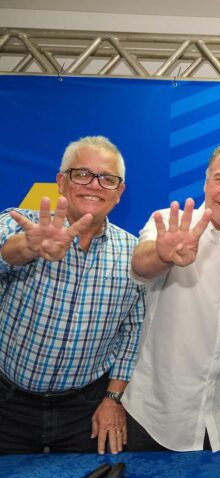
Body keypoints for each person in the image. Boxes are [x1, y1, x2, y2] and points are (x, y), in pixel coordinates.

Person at [0, 136, 145, 455]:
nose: (94, 186)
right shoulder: (20, 225)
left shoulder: (131, 252)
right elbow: (5, 253)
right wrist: (26, 248)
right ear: (61, 182)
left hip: (84, 410)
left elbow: (132, 332)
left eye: (107, 179)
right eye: (82, 174)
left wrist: (112, 398)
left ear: (119, 193)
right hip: (7, 402)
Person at [122, 144, 220, 452]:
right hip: (158, 417)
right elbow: (140, 266)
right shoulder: (170, 226)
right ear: (205, 181)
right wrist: (163, 255)